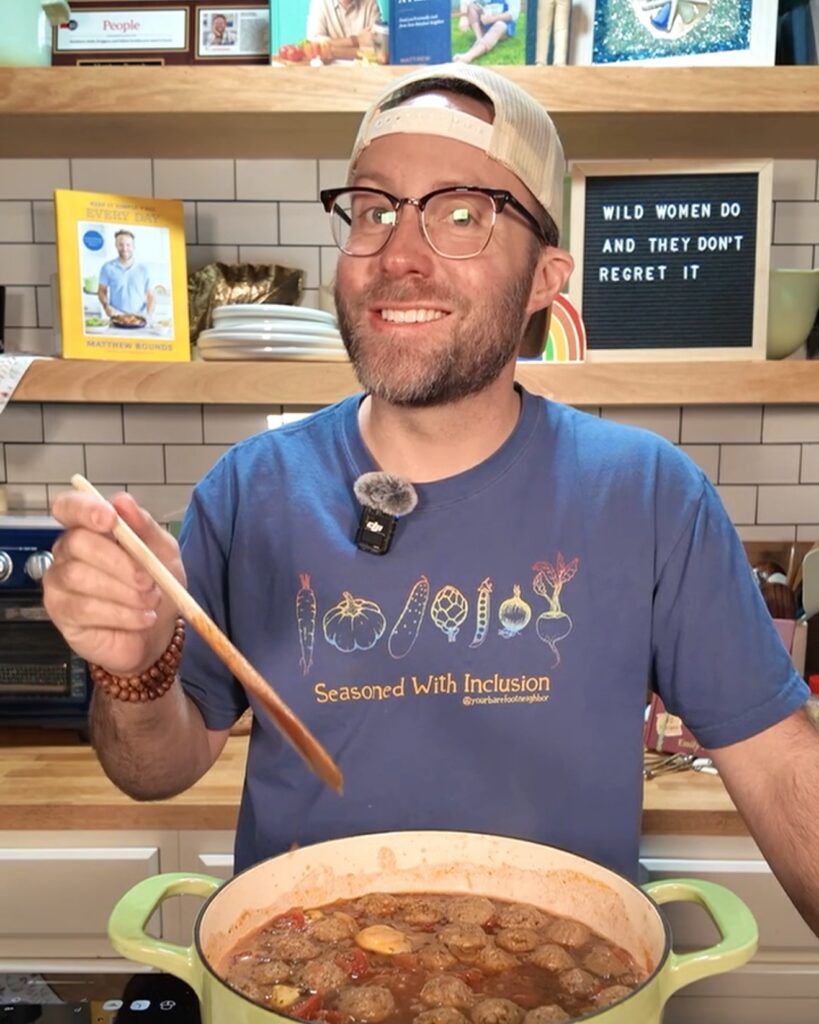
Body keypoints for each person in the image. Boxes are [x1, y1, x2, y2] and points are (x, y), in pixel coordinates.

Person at [44, 63, 819, 936]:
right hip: (299, 976)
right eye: (373, 211)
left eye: (461, 215)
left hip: (563, 979)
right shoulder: (250, 489)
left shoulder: (645, 494)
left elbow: (779, 762)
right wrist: (135, 667)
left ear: (544, 278)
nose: (399, 255)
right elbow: (157, 769)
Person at [97, 229, 155, 320]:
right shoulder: (107, 267)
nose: (124, 248)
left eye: (128, 245)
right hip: (116, 317)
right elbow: (101, 291)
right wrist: (106, 306)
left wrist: (149, 315)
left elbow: (151, 295)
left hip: (139, 319)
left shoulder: (144, 269)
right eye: (121, 245)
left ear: (134, 246)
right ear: (116, 246)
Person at [306, 0, 381, 59]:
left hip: (363, 72)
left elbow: (378, 51)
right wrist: (356, 40)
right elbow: (314, 43)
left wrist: (332, 51)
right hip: (329, 72)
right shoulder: (319, 2)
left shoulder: (370, 2)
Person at [454, 0, 520, 64]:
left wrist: (492, 19)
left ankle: (469, 56)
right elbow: (465, 1)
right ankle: (479, 39)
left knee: (500, 25)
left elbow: (513, 14)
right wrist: (463, 17)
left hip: (504, 24)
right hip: (485, 21)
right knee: (471, 7)